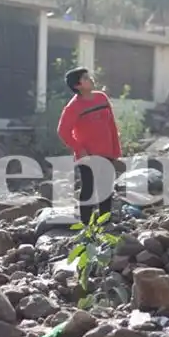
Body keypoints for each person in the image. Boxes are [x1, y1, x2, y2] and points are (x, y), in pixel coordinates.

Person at [57, 67, 122, 225]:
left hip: (106, 152)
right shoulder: (73, 107)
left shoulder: (101, 98)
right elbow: (63, 131)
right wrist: (79, 149)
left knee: (106, 188)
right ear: (78, 86)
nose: (91, 79)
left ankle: (105, 223)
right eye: (86, 78)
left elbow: (111, 125)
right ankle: (87, 226)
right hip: (88, 156)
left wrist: (116, 149)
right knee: (88, 189)